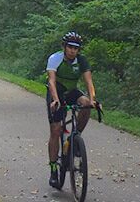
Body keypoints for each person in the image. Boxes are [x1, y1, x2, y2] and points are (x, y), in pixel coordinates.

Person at [46, 31, 98, 188]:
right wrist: (55, 99)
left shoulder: (81, 61)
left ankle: (75, 138)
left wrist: (93, 100)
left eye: (76, 48)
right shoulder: (55, 58)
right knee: (55, 130)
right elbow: (52, 81)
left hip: (72, 91)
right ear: (64, 46)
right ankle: (54, 169)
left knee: (86, 104)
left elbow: (88, 82)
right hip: (57, 92)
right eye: (70, 47)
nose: (72, 51)